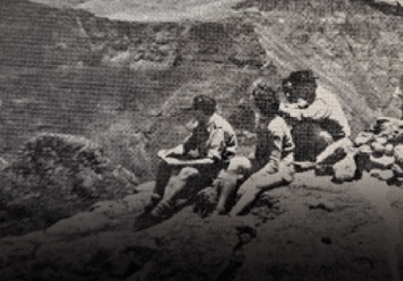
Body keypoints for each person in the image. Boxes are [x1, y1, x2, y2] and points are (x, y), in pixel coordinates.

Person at [141, 94, 237, 222]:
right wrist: (168, 153)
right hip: (205, 162)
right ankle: (156, 198)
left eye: (195, 109)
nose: (193, 112)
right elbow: (186, 146)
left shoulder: (218, 129)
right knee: (166, 163)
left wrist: (179, 163)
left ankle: (162, 209)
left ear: (202, 111)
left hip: (218, 169)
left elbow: (212, 160)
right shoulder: (202, 123)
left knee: (186, 171)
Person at [212, 81, 295, 216]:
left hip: (281, 167)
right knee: (235, 163)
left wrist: (252, 178)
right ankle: (220, 207)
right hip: (262, 161)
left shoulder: (275, 126)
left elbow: (274, 164)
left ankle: (232, 216)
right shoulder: (263, 120)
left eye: (255, 100)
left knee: (254, 186)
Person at [278, 70, 354, 182]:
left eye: (297, 87)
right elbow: (302, 106)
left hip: (335, 139)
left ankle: (311, 161)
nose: (297, 91)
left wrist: (284, 110)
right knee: (301, 129)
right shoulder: (312, 94)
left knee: (306, 128)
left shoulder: (322, 99)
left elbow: (306, 115)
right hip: (326, 135)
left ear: (305, 85)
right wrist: (290, 107)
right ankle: (302, 157)